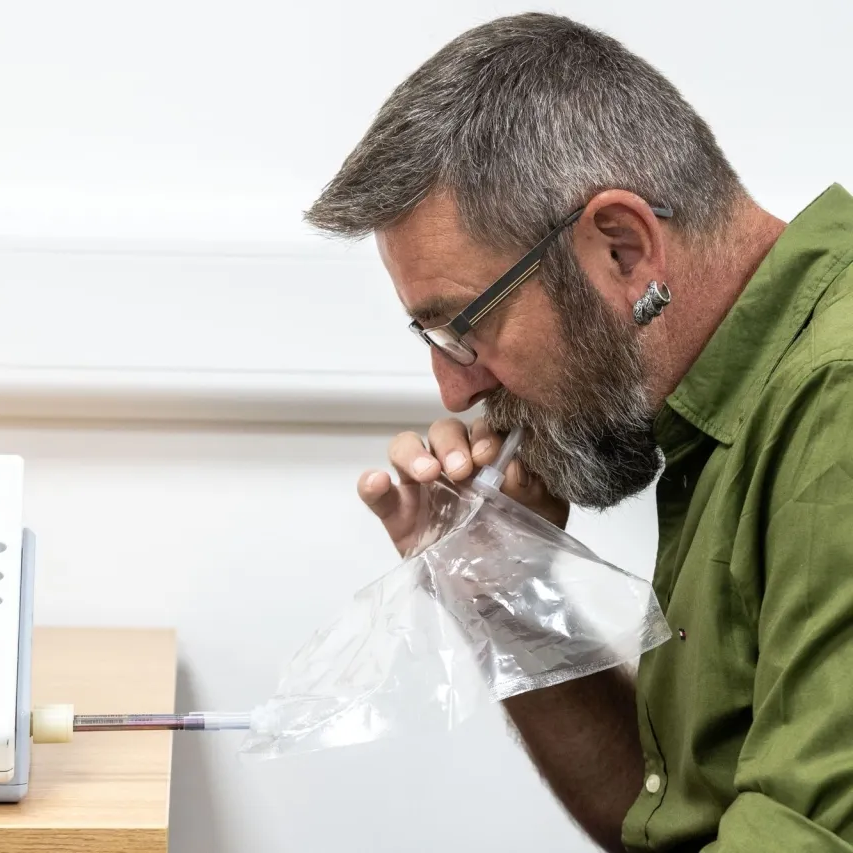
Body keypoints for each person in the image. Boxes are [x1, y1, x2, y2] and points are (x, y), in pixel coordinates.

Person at [304, 11, 853, 853]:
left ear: (623, 248)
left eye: (465, 327)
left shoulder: (835, 401)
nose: (454, 387)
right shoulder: (726, 409)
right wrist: (507, 590)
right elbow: (670, 817)